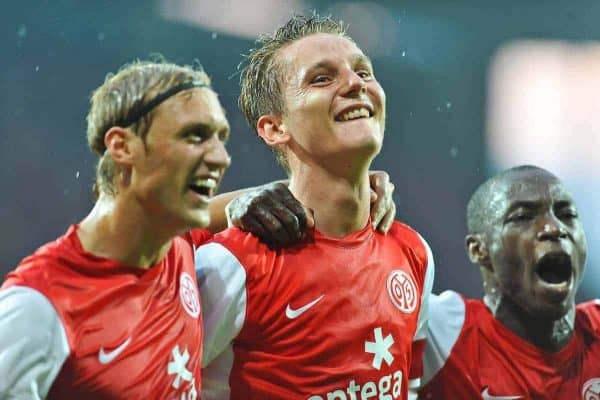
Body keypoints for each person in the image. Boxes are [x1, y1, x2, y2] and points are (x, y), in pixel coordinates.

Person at [0, 59, 396, 399]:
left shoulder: (174, 250)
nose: (220, 158)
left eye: (220, 138)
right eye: (194, 137)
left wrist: (352, 189)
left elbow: (209, 212)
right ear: (122, 146)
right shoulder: (39, 306)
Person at [196, 14, 434, 400]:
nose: (355, 84)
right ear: (274, 128)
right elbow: (158, 382)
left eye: (363, 72)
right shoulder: (231, 265)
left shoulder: (413, 253)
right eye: (321, 78)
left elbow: (407, 387)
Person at [415, 165, 600, 399]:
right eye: (522, 217)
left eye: (567, 215)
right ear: (478, 249)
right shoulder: (442, 336)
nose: (554, 228)